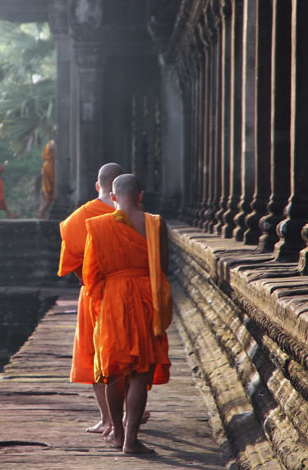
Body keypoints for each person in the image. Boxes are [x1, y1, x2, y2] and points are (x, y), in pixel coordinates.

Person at [83, 173, 172, 454]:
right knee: (140, 370)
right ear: (140, 195)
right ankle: (131, 440)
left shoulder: (97, 226)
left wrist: (102, 301)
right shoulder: (155, 224)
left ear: (112, 196)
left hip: (114, 299)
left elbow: (90, 274)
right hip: (147, 296)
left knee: (113, 370)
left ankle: (115, 432)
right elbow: (164, 265)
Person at [58, 163, 125, 435]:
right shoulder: (133, 215)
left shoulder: (80, 217)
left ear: (98, 186)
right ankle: (130, 412)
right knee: (127, 353)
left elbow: (70, 261)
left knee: (98, 355)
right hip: (127, 292)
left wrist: (88, 281)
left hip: (95, 291)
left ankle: (108, 419)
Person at [36, 139, 56, 219]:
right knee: (51, 193)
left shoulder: (50, 143)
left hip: (47, 166)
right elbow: (55, 156)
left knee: (50, 194)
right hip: (50, 167)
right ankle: (41, 212)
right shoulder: (53, 144)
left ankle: (41, 212)